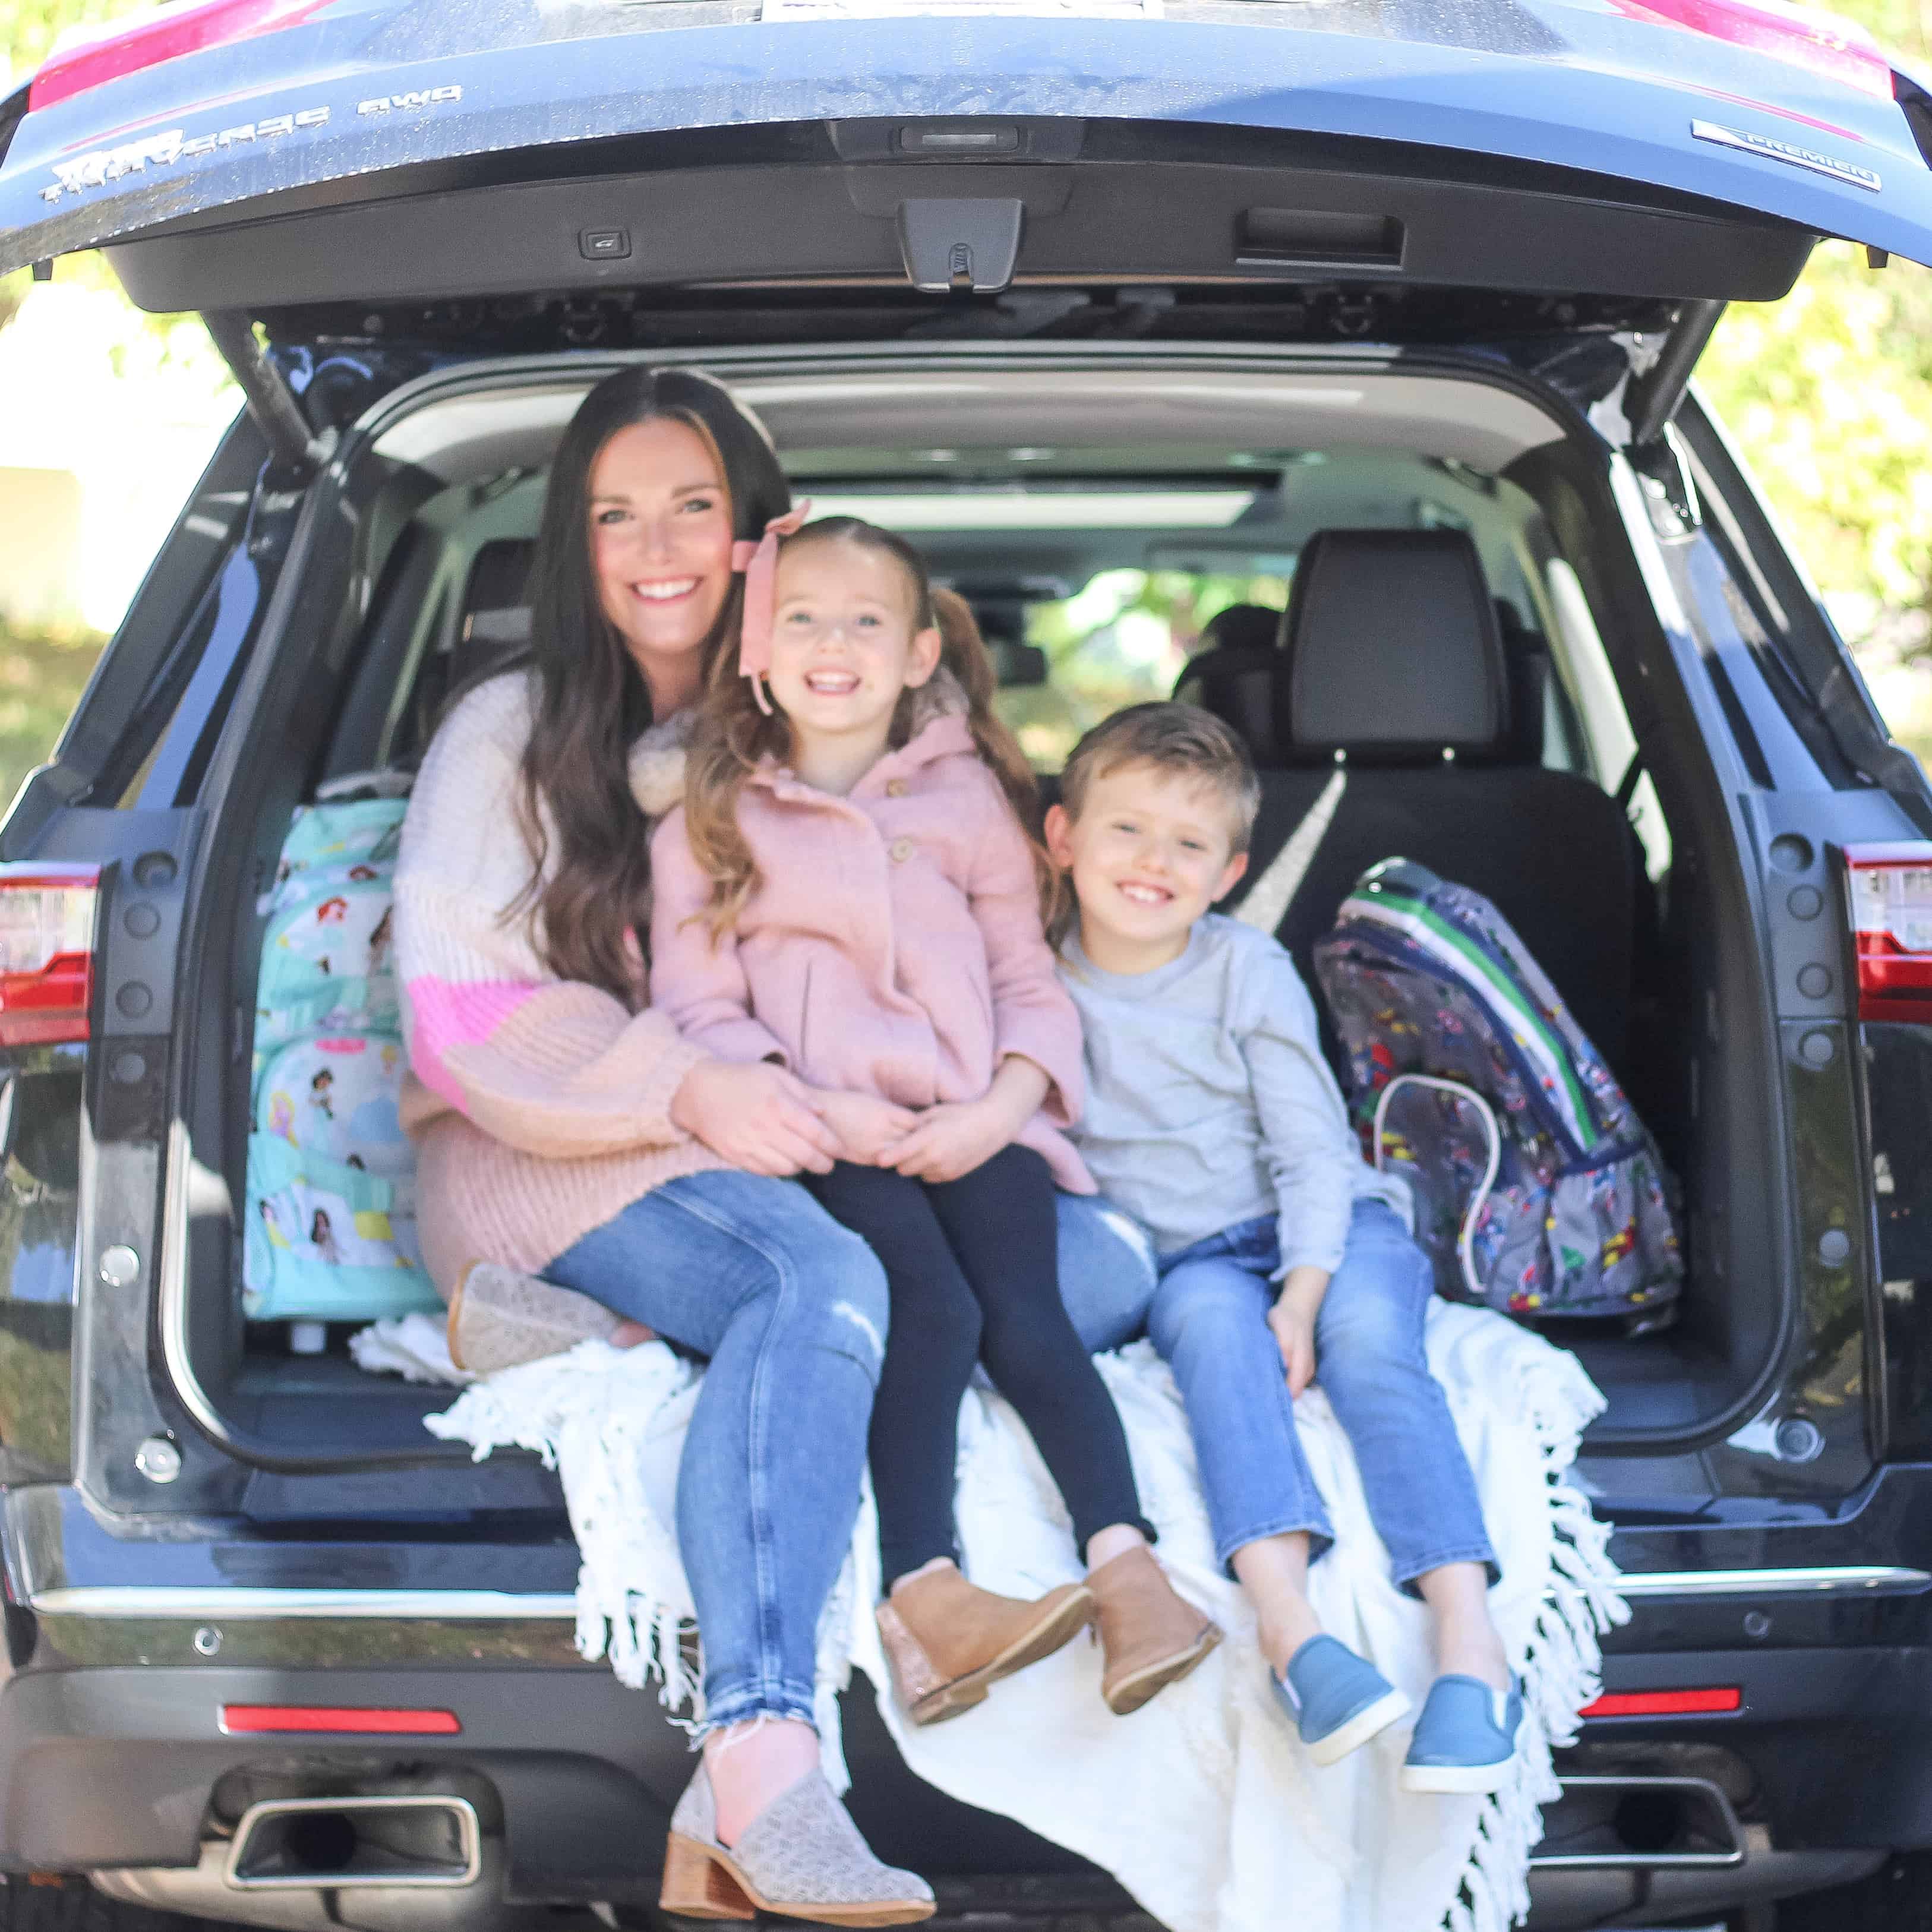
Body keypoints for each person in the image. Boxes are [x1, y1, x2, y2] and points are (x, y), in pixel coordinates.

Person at [392, 368, 933, 1926]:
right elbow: (465, 1019)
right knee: (811, 1284)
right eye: (613, 512)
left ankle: (577, 1332)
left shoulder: (835, 715)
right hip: (537, 1147)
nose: (657, 547)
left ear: (761, 528)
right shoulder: (507, 732)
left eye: (692, 503)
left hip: (770, 1129)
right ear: (573, 539)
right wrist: (685, 1088)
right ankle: (762, 1750)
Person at [648, 517, 1221, 1726]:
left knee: (1028, 1309)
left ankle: (1131, 1573)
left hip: (972, 1122)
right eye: (802, 619)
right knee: (934, 1302)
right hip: (821, 1139)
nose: (832, 644)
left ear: (918, 657)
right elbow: (695, 1010)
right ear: (759, 648)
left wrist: (1004, 1106)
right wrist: (823, 1113)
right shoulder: (708, 820)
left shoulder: (973, 806)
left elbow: (1030, 982)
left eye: (865, 622)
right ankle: (931, 1595)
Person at [1044, 702, 1523, 1795]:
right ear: (1061, 836)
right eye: (1126, 829)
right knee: (1216, 1347)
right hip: (1194, 1258)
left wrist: (1302, 1297)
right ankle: (1297, 1639)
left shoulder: (1244, 968)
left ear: (1230, 869)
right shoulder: (1033, 980)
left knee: (1364, 1346)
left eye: (1190, 844)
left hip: (1328, 1225)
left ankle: (1469, 1647)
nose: (1154, 862)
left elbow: (1312, 1151)